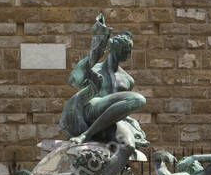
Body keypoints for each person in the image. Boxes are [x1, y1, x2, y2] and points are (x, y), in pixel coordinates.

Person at [61, 14, 148, 146]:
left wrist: (133, 123)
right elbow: (74, 81)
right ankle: (86, 135)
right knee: (139, 99)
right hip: (91, 110)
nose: (127, 53)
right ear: (114, 49)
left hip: (109, 122)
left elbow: (121, 108)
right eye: (125, 49)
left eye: (128, 50)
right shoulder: (93, 68)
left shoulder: (128, 80)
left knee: (129, 146)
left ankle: (92, 137)